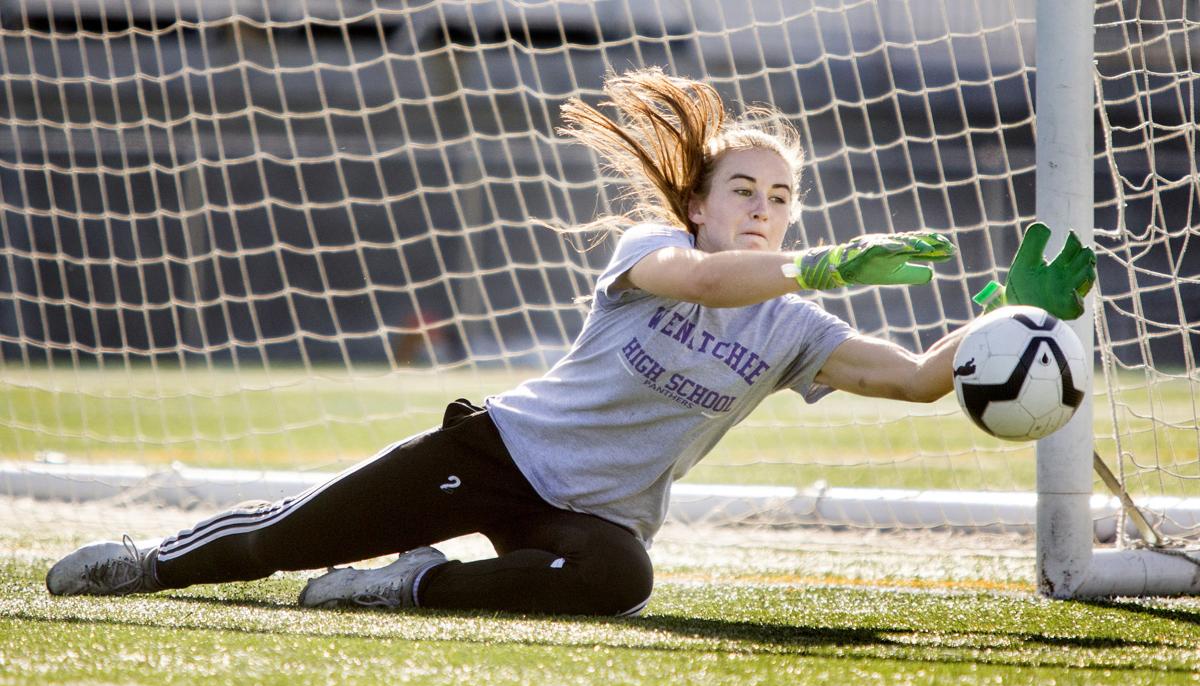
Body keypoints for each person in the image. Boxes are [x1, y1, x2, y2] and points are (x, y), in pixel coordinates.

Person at [44, 68, 1096, 617]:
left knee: (618, 577)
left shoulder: (793, 325)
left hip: (584, 515)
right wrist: (819, 264)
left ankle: (405, 585)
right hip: (494, 455)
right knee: (283, 542)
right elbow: (700, 278)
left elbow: (917, 380)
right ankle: (145, 565)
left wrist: (1009, 316)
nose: (767, 209)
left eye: (784, 197)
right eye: (746, 190)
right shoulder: (655, 246)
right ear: (697, 197)